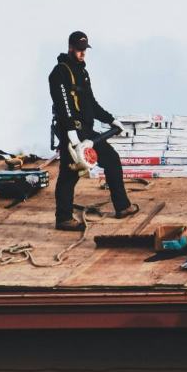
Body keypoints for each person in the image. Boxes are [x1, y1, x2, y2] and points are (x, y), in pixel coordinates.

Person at [48, 31, 139, 230]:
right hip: (71, 133)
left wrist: (111, 120)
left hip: (87, 132)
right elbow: (63, 106)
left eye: (85, 50)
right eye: (79, 50)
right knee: (69, 175)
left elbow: (92, 104)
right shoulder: (59, 72)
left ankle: (122, 207)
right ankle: (63, 219)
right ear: (70, 47)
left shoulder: (83, 72)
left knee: (112, 160)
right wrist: (71, 134)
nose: (82, 54)